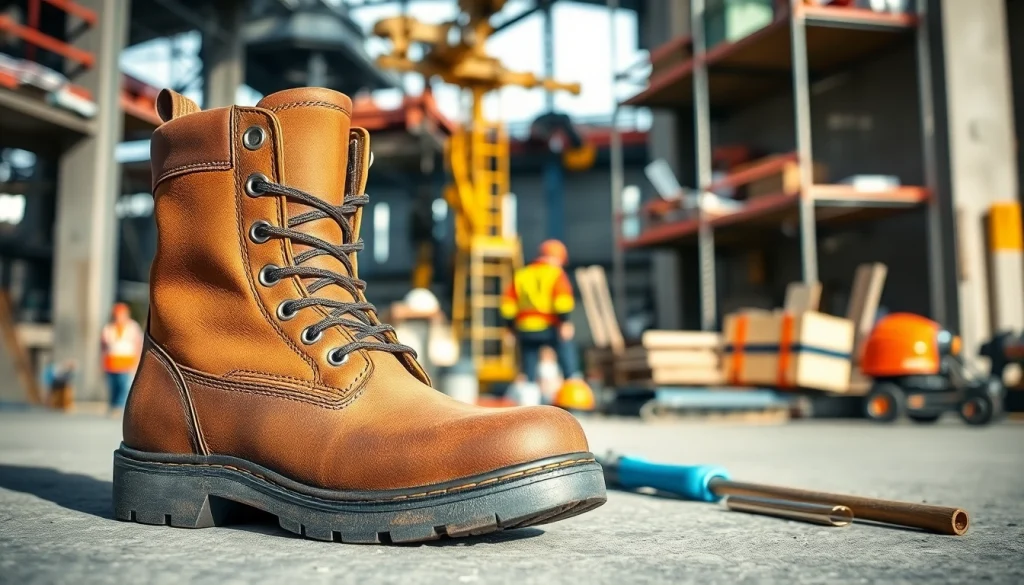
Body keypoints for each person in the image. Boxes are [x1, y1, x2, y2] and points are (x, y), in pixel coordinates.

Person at [500, 239, 587, 398]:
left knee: (529, 366)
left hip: (526, 329)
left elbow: (508, 305)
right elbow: (562, 302)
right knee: (566, 352)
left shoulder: (521, 275)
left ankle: (528, 400)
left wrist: (510, 328)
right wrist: (564, 323)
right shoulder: (556, 274)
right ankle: (572, 386)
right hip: (550, 327)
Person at [101, 303, 143, 417]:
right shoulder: (108, 328)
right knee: (113, 386)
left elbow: (138, 345)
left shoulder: (133, 327)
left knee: (123, 386)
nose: (119, 317)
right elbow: (103, 347)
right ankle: (113, 405)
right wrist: (101, 363)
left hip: (126, 363)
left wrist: (137, 362)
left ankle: (119, 407)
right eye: (117, 314)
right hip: (111, 363)